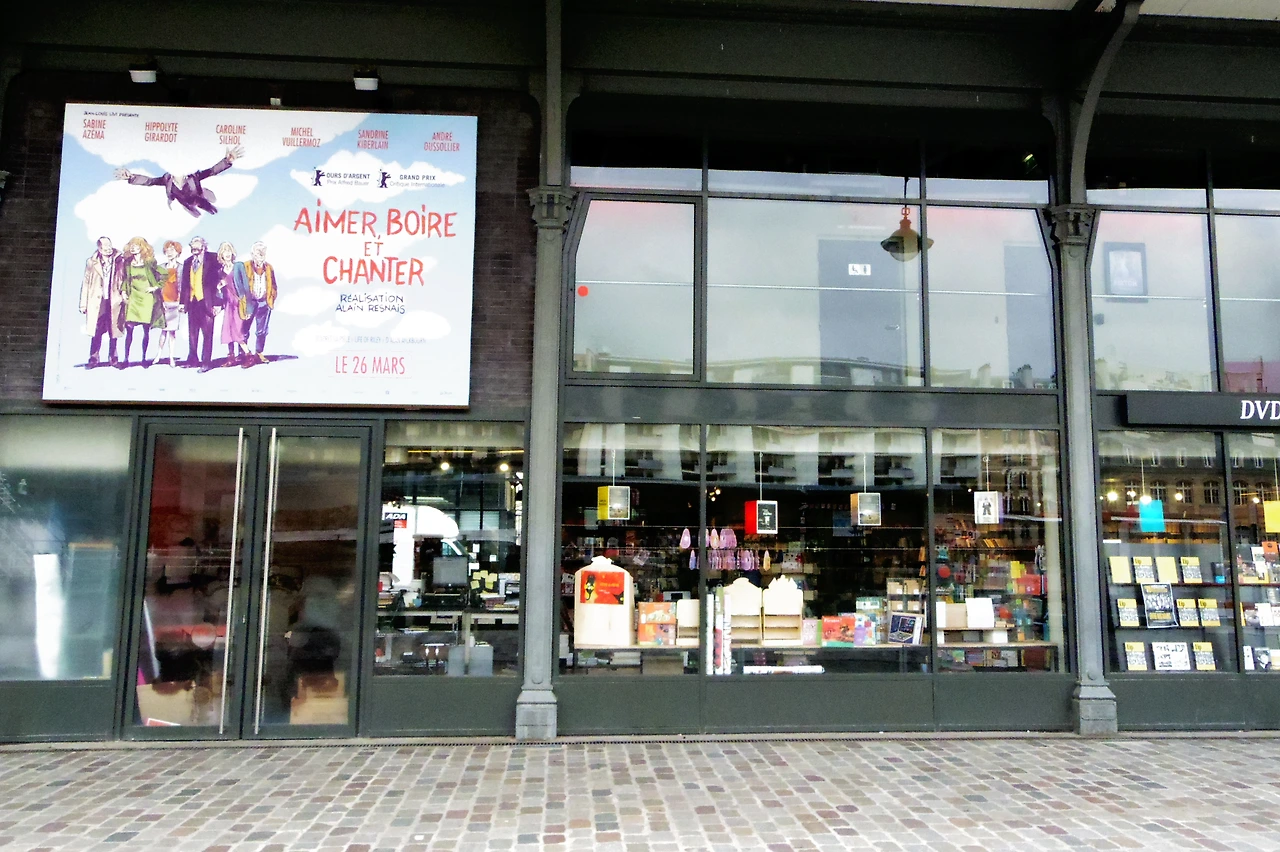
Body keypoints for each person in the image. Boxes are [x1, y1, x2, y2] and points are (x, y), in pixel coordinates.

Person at [113, 146, 244, 218]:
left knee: (212, 210)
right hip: (187, 205)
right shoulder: (167, 179)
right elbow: (149, 181)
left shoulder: (193, 176)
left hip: (201, 198)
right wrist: (131, 177)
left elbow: (212, 171)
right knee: (197, 214)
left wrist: (227, 161)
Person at [78, 237, 126, 368]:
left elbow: (124, 279)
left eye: (109, 246)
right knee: (97, 330)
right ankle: (94, 358)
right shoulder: (91, 262)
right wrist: (83, 304)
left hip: (114, 300)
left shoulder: (119, 260)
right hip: (97, 302)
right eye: (105, 247)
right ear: (99, 249)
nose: (109, 249)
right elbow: (86, 283)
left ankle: (113, 358)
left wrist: (122, 296)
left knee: (113, 330)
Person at [120, 236, 165, 367]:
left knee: (146, 331)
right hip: (133, 299)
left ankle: (144, 359)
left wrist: (155, 287)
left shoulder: (150, 262)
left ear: (143, 248)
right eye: (131, 245)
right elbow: (125, 279)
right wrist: (123, 292)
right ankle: (126, 359)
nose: (133, 248)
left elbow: (164, 274)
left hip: (146, 299)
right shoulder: (128, 263)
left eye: (136, 245)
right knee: (129, 330)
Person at [234, 241, 277, 367]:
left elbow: (274, 285)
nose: (260, 255)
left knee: (262, 331)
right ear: (252, 254)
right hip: (249, 302)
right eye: (258, 253)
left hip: (264, 302)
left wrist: (271, 298)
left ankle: (259, 353)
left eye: (263, 253)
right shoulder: (245, 266)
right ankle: (242, 354)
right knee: (244, 329)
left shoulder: (269, 268)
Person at [180, 236, 219, 372]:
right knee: (192, 333)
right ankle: (192, 360)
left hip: (207, 302)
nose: (194, 247)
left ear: (203, 246)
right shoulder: (187, 262)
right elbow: (184, 284)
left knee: (207, 334)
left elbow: (219, 280)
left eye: (197, 245)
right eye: (192, 245)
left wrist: (218, 303)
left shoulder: (213, 259)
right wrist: (182, 303)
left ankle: (206, 362)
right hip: (192, 302)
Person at [215, 241, 250, 367]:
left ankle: (248, 356)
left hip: (239, 302)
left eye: (229, 250)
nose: (227, 253)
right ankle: (231, 357)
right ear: (221, 255)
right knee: (228, 329)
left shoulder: (239, 266)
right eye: (225, 251)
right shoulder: (220, 271)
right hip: (228, 304)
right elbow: (221, 293)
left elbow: (246, 286)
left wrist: (249, 307)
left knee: (238, 331)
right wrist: (219, 289)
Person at [156, 241, 184, 367]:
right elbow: (158, 286)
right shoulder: (161, 267)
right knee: (163, 330)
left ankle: (171, 357)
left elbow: (182, 286)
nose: (169, 252)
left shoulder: (181, 268)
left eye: (172, 250)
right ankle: (158, 354)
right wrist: (159, 302)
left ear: (178, 252)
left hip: (175, 303)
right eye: (167, 250)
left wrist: (181, 302)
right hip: (163, 302)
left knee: (172, 332)